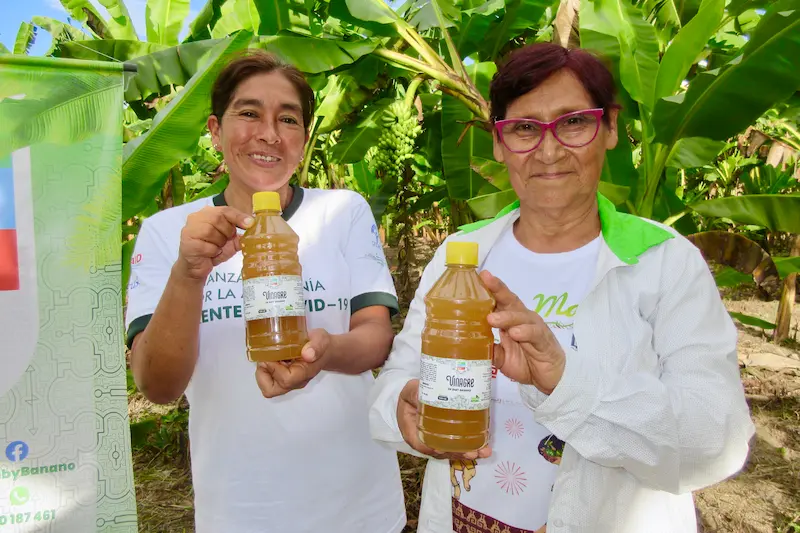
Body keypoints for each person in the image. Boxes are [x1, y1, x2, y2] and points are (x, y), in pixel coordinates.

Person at [368, 43, 755, 533]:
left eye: (573, 122)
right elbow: (395, 382)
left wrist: (564, 381)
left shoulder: (664, 263)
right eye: (525, 129)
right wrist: (403, 405)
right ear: (498, 142)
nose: (549, 151)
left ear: (610, 127)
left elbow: (714, 441)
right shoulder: (459, 257)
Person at [126, 50, 406, 533]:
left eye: (289, 119)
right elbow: (158, 385)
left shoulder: (342, 212)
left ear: (303, 138)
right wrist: (189, 273)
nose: (269, 133)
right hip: (240, 509)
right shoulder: (167, 231)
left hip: (358, 505)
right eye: (249, 113)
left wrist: (325, 352)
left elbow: (375, 338)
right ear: (214, 130)